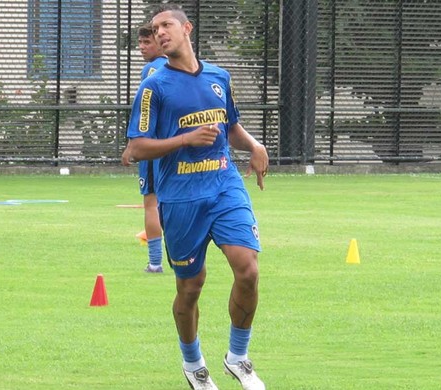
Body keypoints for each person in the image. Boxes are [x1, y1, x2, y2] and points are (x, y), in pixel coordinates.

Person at [125, 4, 268, 390]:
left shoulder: (219, 76)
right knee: (191, 286)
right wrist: (186, 139)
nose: (159, 33)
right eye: (155, 30)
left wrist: (253, 146)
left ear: (186, 28)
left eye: (166, 25)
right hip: (181, 197)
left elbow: (231, 126)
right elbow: (136, 148)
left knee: (248, 269)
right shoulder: (153, 87)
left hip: (224, 184)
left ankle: (238, 356)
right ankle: (194, 365)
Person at [122, 23, 168, 273]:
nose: (141, 47)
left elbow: (144, 111)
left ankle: (155, 263)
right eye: (139, 43)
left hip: (153, 148)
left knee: (151, 203)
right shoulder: (179, 66)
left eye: (147, 42)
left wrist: (132, 145)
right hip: (175, 147)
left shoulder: (151, 69)